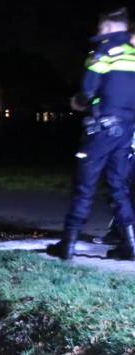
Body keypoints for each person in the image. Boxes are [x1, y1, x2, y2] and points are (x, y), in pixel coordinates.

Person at [47, 8, 135, 260]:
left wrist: (77, 102)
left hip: (101, 129)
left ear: (107, 27)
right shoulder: (133, 55)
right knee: (119, 187)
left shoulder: (102, 53)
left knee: (84, 185)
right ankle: (130, 245)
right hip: (126, 131)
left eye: (100, 28)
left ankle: (68, 245)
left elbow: (87, 92)